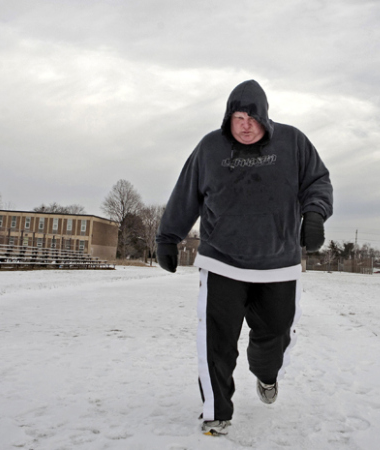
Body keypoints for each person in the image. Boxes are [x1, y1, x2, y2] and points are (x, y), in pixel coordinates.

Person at [156, 79, 333, 436]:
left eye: (252, 117)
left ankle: (266, 374)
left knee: (275, 335)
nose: (245, 124)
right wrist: (167, 237)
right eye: (238, 117)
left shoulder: (293, 143)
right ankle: (216, 411)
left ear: (265, 117)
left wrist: (314, 214)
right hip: (222, 261)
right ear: (228, 119)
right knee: (216, 341)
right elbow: (185, 193)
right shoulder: (210, 148)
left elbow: (318, 181)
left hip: (278, 264)